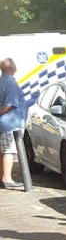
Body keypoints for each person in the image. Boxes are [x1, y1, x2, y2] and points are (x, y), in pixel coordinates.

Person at [0, 58, 26, 189]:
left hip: (5, 123)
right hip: (10, 123)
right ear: (11, 67)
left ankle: (2, 178)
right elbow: (9, 105)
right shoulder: (10, 83)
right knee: (9, 151)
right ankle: (7, 179)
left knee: (3, 151)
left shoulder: (2, 80)